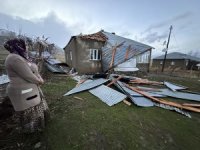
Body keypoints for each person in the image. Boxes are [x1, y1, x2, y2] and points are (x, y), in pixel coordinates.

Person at [4, 38, 49, 133]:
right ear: (18, 45)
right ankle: (33, 130)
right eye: (26, 44)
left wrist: (39, 78)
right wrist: (39, 81)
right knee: (30, 111)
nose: (27, 46)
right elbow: (28, 75)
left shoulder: (21, 56)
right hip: (24, 91)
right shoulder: (14, 58)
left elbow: (33, 70)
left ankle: (40, 126)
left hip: (31, 88)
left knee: (36, 106)